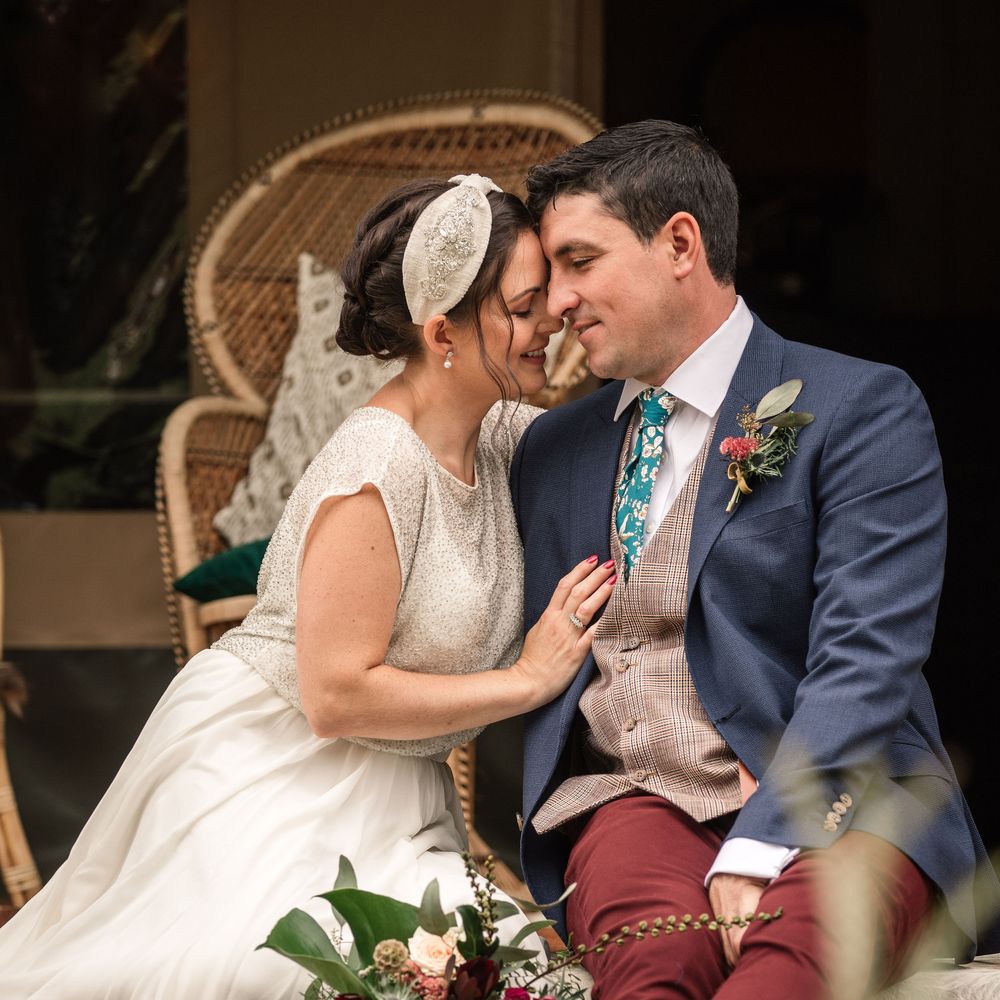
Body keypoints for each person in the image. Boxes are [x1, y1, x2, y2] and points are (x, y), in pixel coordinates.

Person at [0, 174, 614, 999]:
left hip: (396, 798)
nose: (554, 320)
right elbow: (334, 695)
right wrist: (527, 680)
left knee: (514, 974)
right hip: (276, 777)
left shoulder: (502, 432)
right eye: (525, 306)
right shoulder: (378, 464)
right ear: (443, 331)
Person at [511, 121, 1000, 999]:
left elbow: (868, 654)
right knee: (653, 973)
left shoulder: (861, 407)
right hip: (635, 803)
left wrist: (763, 837)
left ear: (680, 245)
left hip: (849, 805)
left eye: (579, 261)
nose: (557, 302)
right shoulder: (552, 451)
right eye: (549, 273)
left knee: (787, 970)